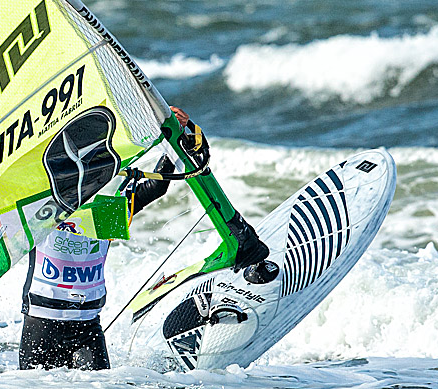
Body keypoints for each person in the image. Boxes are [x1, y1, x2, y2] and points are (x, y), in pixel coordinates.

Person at [18, 106, 277, 370]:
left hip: (87, 328)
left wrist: (172, 134)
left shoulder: (108, 213)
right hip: (41, 324)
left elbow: (157, 185)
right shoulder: (42, 209)